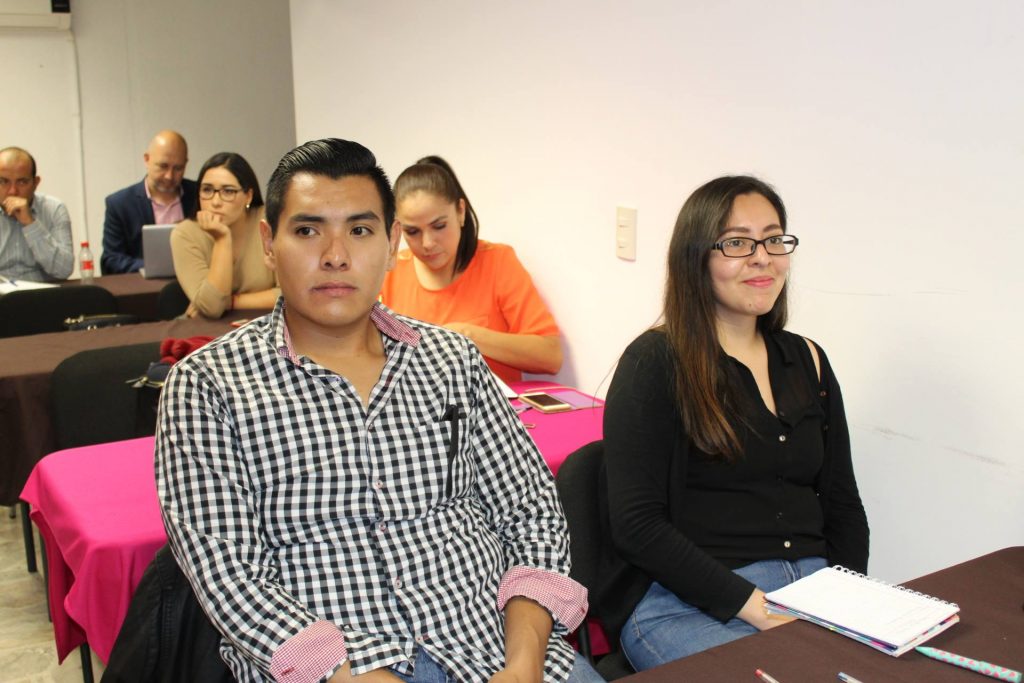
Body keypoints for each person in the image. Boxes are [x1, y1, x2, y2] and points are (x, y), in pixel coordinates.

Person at [156, 138, 603, 683]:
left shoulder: (452, 360)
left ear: (392, 245)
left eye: (360, 231)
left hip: (495, 648)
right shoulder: (207, 386)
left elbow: (531, 512)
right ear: (270, 244)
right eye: (308, 231)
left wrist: (524, 663)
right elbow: (230, 579)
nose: (336, 255)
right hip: (336, 670)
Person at [602, 175, 869, 671]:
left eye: (773, 239)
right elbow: (637, 527)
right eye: (737, 243)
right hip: (689, 602)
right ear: (695, 258)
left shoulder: (808, 359)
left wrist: (849, 600)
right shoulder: (655, 362)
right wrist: (760, 611)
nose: (762, 257)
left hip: (814, 591)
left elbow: (843, 504)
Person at [379, 156, 561, 384]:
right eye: (413, 232)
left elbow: (550, 356)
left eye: (439, 226)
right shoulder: (389, 272)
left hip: (490, 404)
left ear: (460, 212)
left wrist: (467, 336)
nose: (427, 243)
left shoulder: (497, 262)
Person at [170, 152, 278, 318]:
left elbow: (291, 295)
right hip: (207, 327)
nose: (215, 202)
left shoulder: (270, 222)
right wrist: (222, 238)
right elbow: (213, 308)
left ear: (248, 196)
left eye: (228, 191)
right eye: (207, 190)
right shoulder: (185, 234)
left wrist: (230, 302)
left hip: (268, 321)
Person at [101, 130, 198, 274]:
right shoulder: (120, 204)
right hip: (144, 285)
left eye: (178, 168)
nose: (169, 176)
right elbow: (111, 260)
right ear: (147, 159)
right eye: (163, 166)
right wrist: (152, 266)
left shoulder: (199, 195)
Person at [0, 146, 73, 282]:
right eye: (3, 182)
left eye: (22, 182)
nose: (12, 191)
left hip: (43, 293)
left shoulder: (54, 209)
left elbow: (63, 270)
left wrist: (30, 223)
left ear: (35, 183)